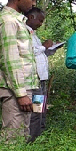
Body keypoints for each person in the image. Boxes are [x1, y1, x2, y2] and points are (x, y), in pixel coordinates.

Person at [0, 0, 42, 142]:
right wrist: (21, 94)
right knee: (12, 137)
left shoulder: (18, 21)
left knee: (22, 133)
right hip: (15, 90)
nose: (34, 4)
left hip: (24, 87)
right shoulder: (8, 21)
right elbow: (10, 60)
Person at [25, 8, 62, 141]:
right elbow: (29, 52)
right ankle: (32, 138)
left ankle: (39, 133)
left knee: (40, 108)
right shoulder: (24, 32)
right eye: (40, 20)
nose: (41, 24)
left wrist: (51, 49)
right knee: (36, 109)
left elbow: (39, 53)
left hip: (41, 79)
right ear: (30, 17)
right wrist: (44, 46)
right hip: (34, 79)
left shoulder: (33, 34)